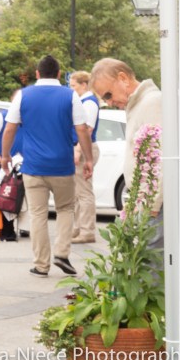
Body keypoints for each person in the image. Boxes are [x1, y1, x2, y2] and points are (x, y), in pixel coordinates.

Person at [1, 55, 93, 278]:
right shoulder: (70, 95)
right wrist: (88, 159)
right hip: (62, 166)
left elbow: (10, 128)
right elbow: (81, 129)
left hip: (33, 167)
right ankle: (62, 253)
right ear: (60, 74)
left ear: (37, 74)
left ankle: (41, 264)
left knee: (38, 214)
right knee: (65, 210)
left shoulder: (23, 95)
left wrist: (5, 156)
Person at [90, 58, 163, 250]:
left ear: (123, 78)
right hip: (146, 203)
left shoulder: (151, 102)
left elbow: (159, 158)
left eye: (108, 94)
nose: (109, 102)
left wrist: (152, 207)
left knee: (151, 266)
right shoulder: (140, 103)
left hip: (153, 206)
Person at [0, 88, 30, 241]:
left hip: (26, 162)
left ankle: (24, 228)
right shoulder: (2, 116)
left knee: (25, 197)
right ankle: (7, 230)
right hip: (7, 163)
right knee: (7, 195)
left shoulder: (29, 117)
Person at [69, 70, 100, 243]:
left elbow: (87, 129)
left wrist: (78, 150)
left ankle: (87, 230)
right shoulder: (84, 101)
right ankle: (79, 228)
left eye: (74, 85)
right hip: (82, 147)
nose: (72, 89)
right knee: (78, 192)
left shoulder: (89, 103)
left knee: (84, 191)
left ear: (83, 84)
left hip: (84, 148)